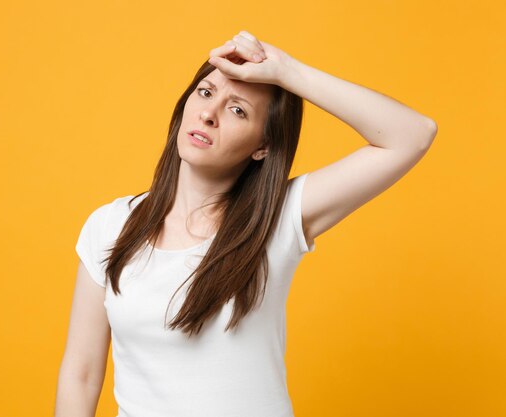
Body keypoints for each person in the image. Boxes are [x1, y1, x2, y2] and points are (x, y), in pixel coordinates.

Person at [54, 30, 437, 417]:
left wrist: (287, 72)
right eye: (205, 92)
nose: (209, 114)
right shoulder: (110, 226)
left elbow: (413, 135)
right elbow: (81, 374)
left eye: (238, 110)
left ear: (263, 146)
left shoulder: (277, 218)